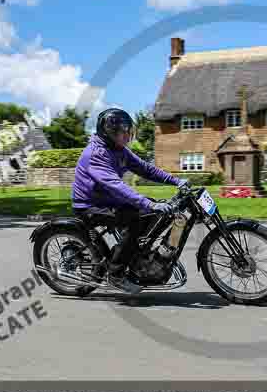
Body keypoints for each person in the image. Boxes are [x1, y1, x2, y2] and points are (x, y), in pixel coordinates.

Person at [72, 108, 188, 294]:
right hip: (90, 205)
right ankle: (116, 274)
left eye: (128, 131)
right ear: (109, 132)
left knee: (151, 213)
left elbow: (145, 169)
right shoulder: (97, 154)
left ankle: (134, 255)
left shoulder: (119, 150)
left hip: (108, 200)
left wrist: (176, 181)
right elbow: (117, 186)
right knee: (135, 219)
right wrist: (148, 203)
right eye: (123, 132)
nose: (127, 135)